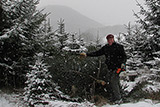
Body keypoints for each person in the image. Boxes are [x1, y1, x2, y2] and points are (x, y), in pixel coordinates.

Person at [80, 34, 127, 103]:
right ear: (107, 40)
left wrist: (123, 63)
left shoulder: (119, 47)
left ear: (113, 39)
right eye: (108, 39)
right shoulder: (106, 48)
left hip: (118, 67)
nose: (110, 40)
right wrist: (87, 54)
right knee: (111, 81)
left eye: (111, 39)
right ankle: (118, 96)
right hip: (110, 68)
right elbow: (97, 53)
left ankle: (118, 99)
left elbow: (124, 56)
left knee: (113, 81)